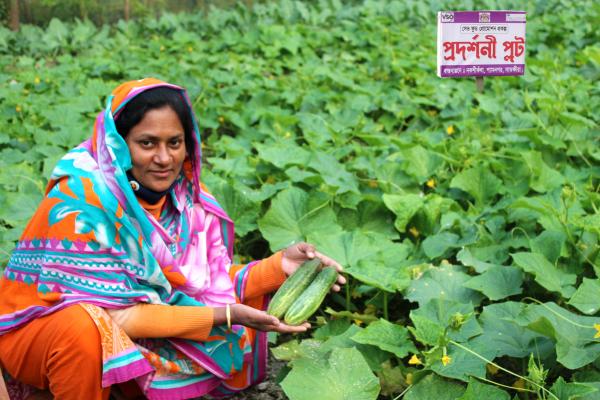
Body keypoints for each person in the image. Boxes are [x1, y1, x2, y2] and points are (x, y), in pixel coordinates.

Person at [0, 78, 345, 400]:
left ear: (188, 144)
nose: (164, 159)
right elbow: (117, 317)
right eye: (147, 143)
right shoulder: (82, 201)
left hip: (125, 333)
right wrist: (226, 315)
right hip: (39, 335)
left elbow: (206, 286)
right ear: (118, 145)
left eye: (174, 143)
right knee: (84, 327)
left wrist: (280, 266)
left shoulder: (187, 202)